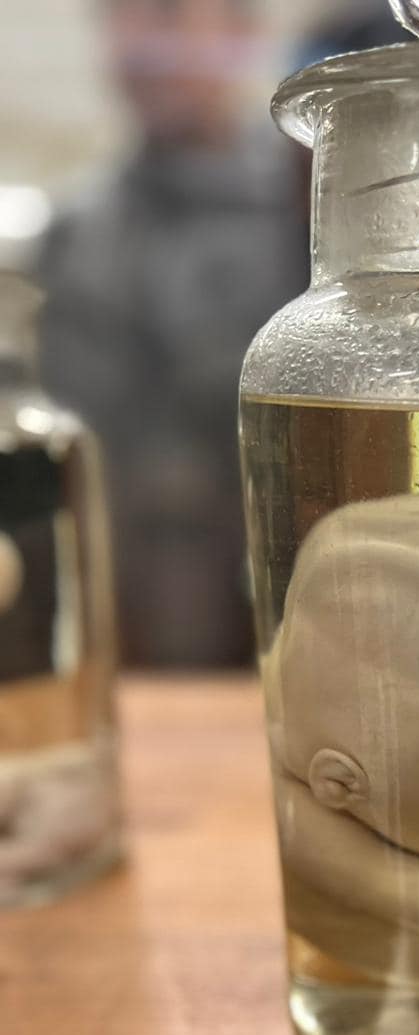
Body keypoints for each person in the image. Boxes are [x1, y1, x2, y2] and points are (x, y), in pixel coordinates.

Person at [39, 0, 307, 666]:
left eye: (165, 12)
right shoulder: (74, 235)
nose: (136, 45)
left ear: (241, 35)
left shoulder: (308, 214)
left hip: (286, 631)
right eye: (118, 17)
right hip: (117, 638)